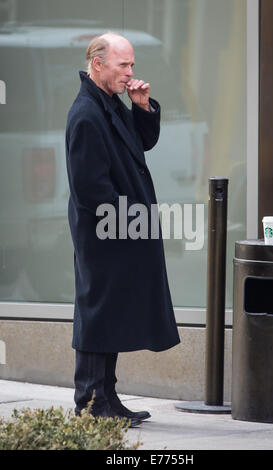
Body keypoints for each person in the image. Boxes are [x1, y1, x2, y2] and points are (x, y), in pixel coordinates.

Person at [65, 32, 180, 427]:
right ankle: (90, 403)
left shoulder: (110, 103)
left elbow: (140, 143)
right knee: (98, 315)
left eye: (131, 64)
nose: (131, 72)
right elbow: (90, 189)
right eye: (123, 65)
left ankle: (108, 400)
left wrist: (143, 107)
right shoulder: (86, 113)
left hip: (120, 229)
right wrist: (129, 221)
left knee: (110, 316)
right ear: (98, 64)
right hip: (104, 234)